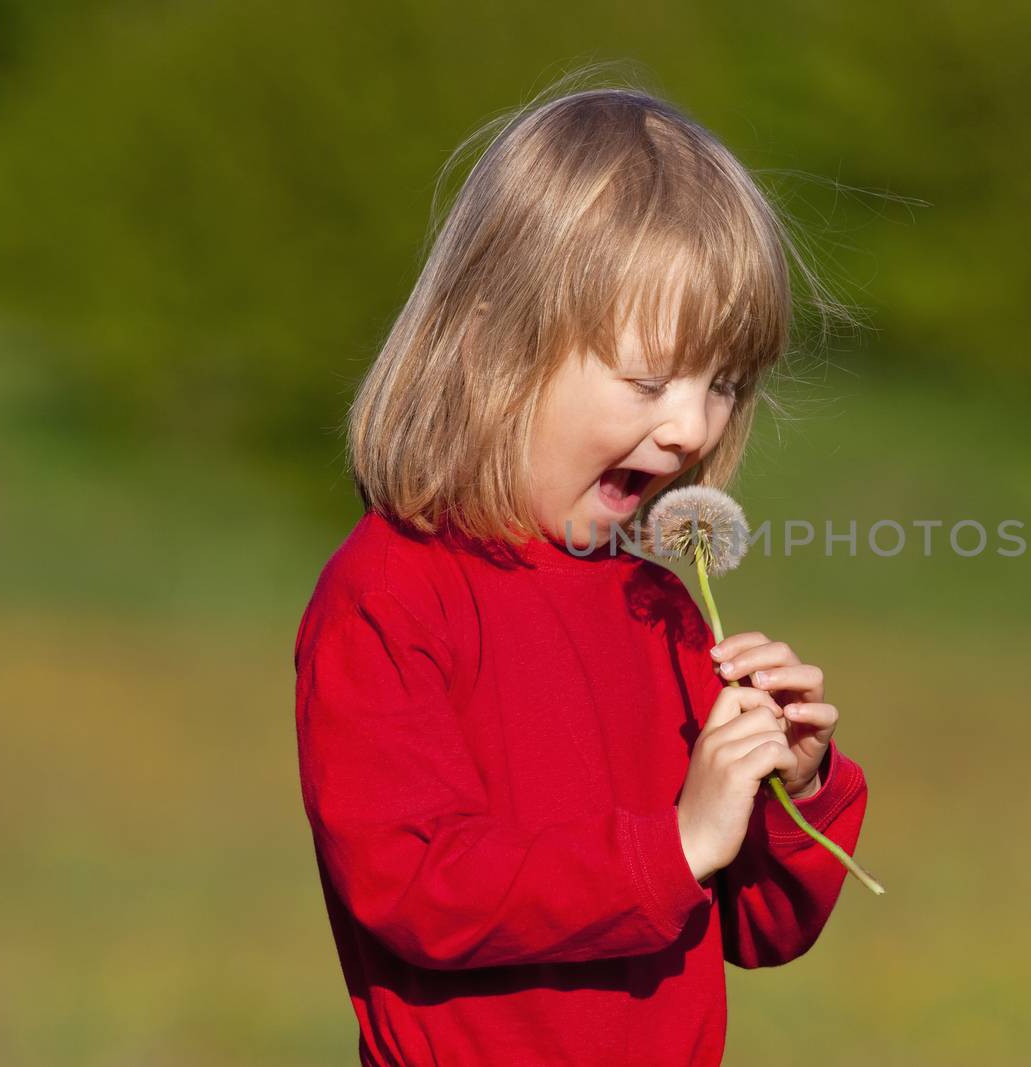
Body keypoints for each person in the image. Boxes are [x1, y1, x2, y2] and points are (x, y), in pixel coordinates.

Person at [292, 78, 870, 1066]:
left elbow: (759, 928)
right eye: (650, 380)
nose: (691, 427)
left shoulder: (655, 602)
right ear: (491, 347)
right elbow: (413, 888)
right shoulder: (390, 596)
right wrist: (674, 844)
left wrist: (789, 784)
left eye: (723, 383)